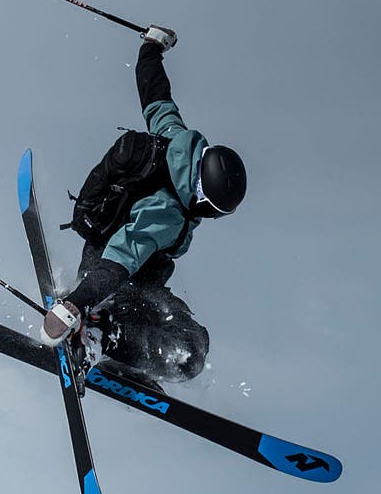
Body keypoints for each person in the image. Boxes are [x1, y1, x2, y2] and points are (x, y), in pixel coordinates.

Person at [40, 28, 246, 384]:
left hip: (121, 276)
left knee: (185, 332)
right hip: (115, 282)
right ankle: (103, 337)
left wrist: (151, 48)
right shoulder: (168, 211)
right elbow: (124, 254)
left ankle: (108, 334)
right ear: (203, 197)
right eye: (212, 210)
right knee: (189, 354)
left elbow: (156, 97)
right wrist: (76, 303)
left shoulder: (177, 144)